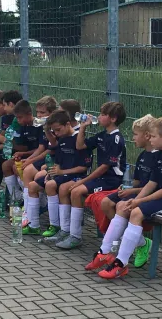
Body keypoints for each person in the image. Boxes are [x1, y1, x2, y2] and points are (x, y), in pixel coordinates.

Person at [95, 114, 162, 279]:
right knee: (123, 206)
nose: (151, 140)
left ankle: (120, 264)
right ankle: (104, 251)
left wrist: (139, 202)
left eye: (154, 137)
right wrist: (134, 200)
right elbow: (152, 183)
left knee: (136, 212)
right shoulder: (160, 155)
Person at [85, 114, 160, 270]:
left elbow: (153, 187)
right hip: (138, 192)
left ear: (147, 136)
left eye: (135, 134)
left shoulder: (158, 157)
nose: (133, 138)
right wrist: (126, 187)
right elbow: (138, 182)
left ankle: (125, 248)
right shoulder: (142, 156)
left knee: (122, 207)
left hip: (149, 196)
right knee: (106, 202)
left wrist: (132, 191)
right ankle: (139, 242)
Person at [52, 101, 127, 250]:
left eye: (103, 115)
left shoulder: (116, 138)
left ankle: (75, 236)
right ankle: (71, 233)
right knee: (74, 191)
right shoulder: (102, 135)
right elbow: (80, 146)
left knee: (77, 190)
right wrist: (83, 127)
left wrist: (83, 181)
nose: (99, 117)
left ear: (113, 118)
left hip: (112, 179)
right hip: (102, 178)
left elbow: (105, 167)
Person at [24, 110, 90, 236]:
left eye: (58, 130)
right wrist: (51, 172)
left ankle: (57, 226)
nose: (57, 133)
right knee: (32, 186)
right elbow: (58, 162)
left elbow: (83, 168)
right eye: (54, 131)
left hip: (75, 176)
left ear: (67, 124)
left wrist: (61, 171)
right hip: (62, 174)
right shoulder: (62, 139)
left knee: (50, 185)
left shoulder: (79, 139)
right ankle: (33, 225)